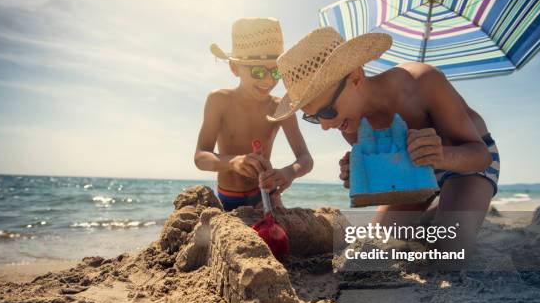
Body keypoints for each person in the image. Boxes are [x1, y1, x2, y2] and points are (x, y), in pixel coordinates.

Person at [268, 27, 500, 259]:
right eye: (313, 117)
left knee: (447, 253)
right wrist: (366, 176)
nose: (325, 126)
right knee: (375, 247)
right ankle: (439, 212)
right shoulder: (350, 124)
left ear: (356, 78)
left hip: (466, 162)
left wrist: (441, 155)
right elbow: (392, 184)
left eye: (327, 112)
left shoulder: (422, 81)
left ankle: (452, 207)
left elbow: (481, 156)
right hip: (414, 173)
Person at [194, 18, 313, 211]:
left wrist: (289, 173)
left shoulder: (281, 107)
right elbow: (200, 157)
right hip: (227, 197)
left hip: (264, 196)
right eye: (258, 71)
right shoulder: (219, 101)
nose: (268, 79)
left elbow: (305, 158)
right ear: (234, 68)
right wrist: (232, 162)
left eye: (275, 72)